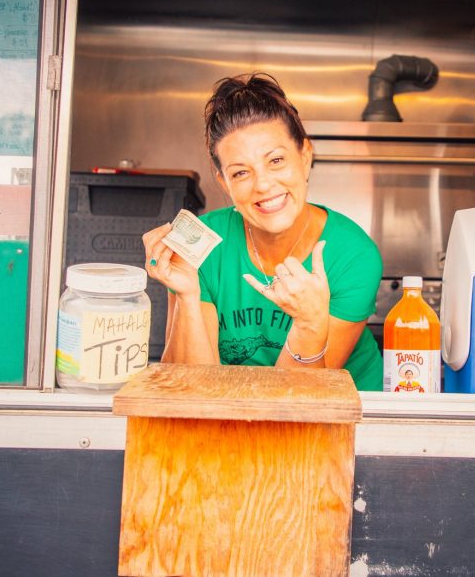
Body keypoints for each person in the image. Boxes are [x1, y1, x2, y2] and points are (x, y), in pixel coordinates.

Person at [142, 73, 383, 390]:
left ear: (305, 157)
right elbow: (189, 389)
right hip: (231, 408)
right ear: (223, 182)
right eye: (241, 173)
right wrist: (187, 295)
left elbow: (302, 398)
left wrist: (310, 323)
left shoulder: (353, 255)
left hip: (338, 411)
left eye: (276, 160)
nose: (264, 185)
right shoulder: (202, 244)